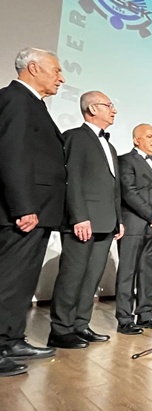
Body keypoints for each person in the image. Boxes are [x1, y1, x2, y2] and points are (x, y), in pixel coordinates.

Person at [0, 48, 66, 377]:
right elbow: (12, 155)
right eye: (56, 71)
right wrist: (23, 206)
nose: (61, 78)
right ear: (34, 67)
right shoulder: (15, 99)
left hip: (40, 211)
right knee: (8, 282)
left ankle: (11, 339)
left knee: (23, 282)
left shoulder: (33, 103)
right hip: (24, 212)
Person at [48, 91, 124, 349]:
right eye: (108, 105)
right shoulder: (75, 137)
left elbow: (115, 187)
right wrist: (79, 217)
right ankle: (60, 330)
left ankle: (81, 324)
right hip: (83, 222)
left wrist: (119, 219)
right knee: (72, 276)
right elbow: (72, 179)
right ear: (92, 108)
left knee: (91, 277)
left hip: (106, 222)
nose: (114, 110)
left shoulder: (110, 146)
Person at [115, 123, 152, 335]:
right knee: (127, 272)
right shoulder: (125, 160)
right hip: (134, 225)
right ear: (136, 139)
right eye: (149, 136)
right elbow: (129, 192)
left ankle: (146, 314)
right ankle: (124, 319)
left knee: (148, 272)